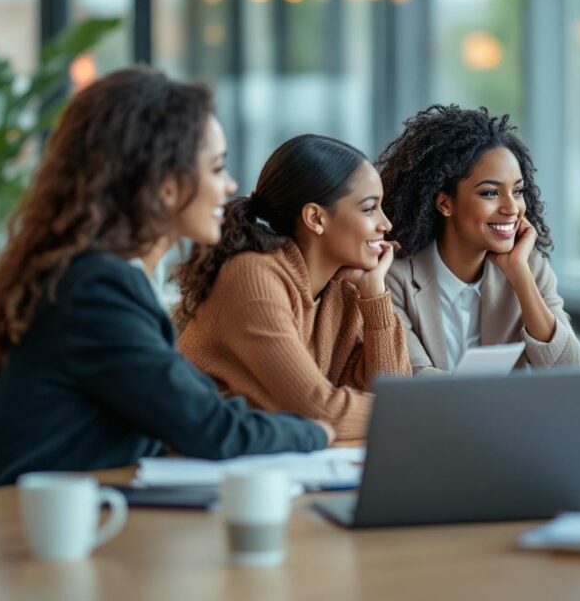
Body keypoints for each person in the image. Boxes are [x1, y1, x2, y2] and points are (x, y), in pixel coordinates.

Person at [0, 68, 330, 492]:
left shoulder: (99, 275)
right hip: (13, 530)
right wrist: (315, 434)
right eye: (216, 168)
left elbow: (195, 410)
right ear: (165, 185)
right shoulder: (95, 289)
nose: (229, 186)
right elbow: (209, 427)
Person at [175, 135, 411, 441]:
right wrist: (407, 410)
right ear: (315, 218)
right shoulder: (253, 277)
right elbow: (321, 411)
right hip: (208, 470)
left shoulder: (345, 288)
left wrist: (374, 294)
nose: (386, 224)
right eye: (369, 209)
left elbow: (384, 392)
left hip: (278, 463)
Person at [377, 105, 580, 374]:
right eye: (490, 193)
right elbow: (414, 376)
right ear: (444, 203)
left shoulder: (530, 267)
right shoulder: (395, 277)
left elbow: (572, 372)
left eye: (518, 191)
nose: (512, 208)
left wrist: (520, 275)